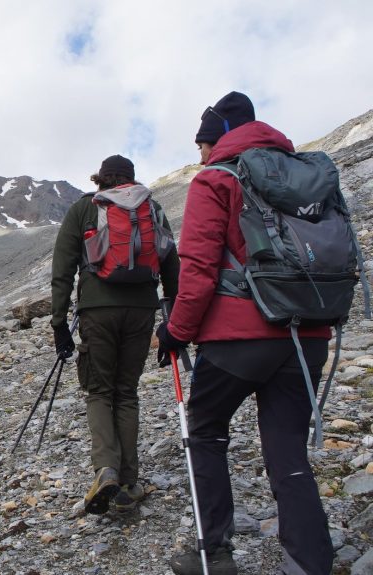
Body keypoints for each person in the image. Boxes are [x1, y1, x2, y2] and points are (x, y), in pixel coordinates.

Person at [157, 91, 333, 575]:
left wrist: (175, 332)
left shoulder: (216, 178)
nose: (200, 156)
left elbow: (197, 270)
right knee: (288, 450)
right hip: (308, 334)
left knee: (206, 430)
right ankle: (309, 563)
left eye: (202, 145)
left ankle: (214, 552)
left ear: (218, 138)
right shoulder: (305, 174)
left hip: (240, 339)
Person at [51, 154, 179, 515]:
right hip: (142, 310)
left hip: (98, 310)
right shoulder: (151, 208)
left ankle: (105, 469)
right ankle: (128, 482)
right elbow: (171, 262)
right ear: (131, 178)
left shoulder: (84, 208)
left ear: (101, 179)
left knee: (99, 391)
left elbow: (62, 268)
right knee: (126, 392)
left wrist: (59, 323)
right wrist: (173, 319)